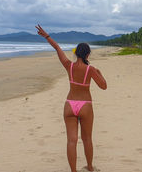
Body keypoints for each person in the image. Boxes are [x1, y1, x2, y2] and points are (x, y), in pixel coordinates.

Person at [36, 24, 107, 172]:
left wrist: (47, 36)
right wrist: (99, 73)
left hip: (70, 104)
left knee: (71, 141)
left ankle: (73, 171)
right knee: (87, 139)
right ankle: (89, 167)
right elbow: (104, 86)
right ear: (87, 55)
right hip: (85, 105)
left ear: (76, 54)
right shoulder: (91, 70)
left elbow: (57, 49)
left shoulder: (69, 66)